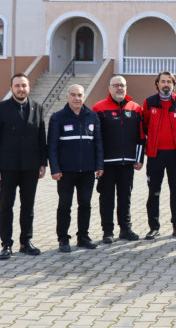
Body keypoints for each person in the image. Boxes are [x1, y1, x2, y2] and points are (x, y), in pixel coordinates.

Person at [0, 73, 47, 259]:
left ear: (29, 88)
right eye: (17, 86)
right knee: (6, 206)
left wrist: (43, 163)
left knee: (28, 206)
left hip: (30, 166)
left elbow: (41, 137)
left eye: (24, 85)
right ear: (11, 88)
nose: (21, 89)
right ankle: (6, 244)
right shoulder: (0, 108)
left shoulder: (37, 108)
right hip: (7, 167)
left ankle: (26, 241)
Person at [48, 84, 104, 252]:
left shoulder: (92, 116)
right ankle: (63, 238)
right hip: (65, 172)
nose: (76, 98)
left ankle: (83, 237)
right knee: (65, 205)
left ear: (84, 97)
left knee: (85, 204)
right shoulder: (58, 117)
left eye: (79, 95)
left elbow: (98, 143)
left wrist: (99, 165)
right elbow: (52, 146)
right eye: (73, 95)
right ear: (67, 97)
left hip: (87, 171)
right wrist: (55, 168)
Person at [91, 75, 144, 244]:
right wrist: (97, 163)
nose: (119, 88)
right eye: (116, 85)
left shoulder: (136, 108)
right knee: (106, 198)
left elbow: (141, 137)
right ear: (109, 88)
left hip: (128, 163)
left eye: (122, 85)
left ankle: (125, 229)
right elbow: (95, 139)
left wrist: (139, 158)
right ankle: (107, 231)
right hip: (106, 165)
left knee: (125, 197)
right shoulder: (99, 108)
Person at [142, 71, 176, 240]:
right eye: (162, 81)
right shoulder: (149, 103)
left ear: (173, 84)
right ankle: (153, 227)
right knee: (153, 192)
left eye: (169, 81)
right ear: (157, 84)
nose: (165, 84)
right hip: (155, 155)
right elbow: (145, 126)